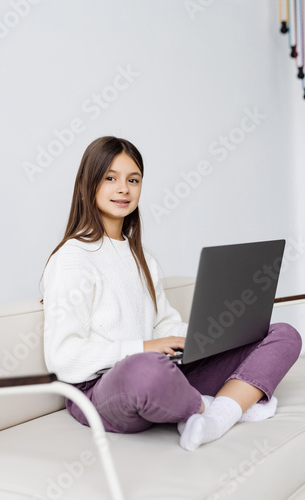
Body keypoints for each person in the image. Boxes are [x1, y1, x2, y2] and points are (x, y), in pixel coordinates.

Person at [40, 136, 302, 451]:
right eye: (111, 177)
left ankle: (216, 417)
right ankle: (214, 408)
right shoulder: (73, 258)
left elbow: (166, 327)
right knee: (146, 368)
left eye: (133, 180)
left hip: (165, 372)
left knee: (283, 334)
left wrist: (211, 335)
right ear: (88, 183)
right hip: (105, 388)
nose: (124, 188)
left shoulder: (143, 257)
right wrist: (144, 347)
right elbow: (62, 358)